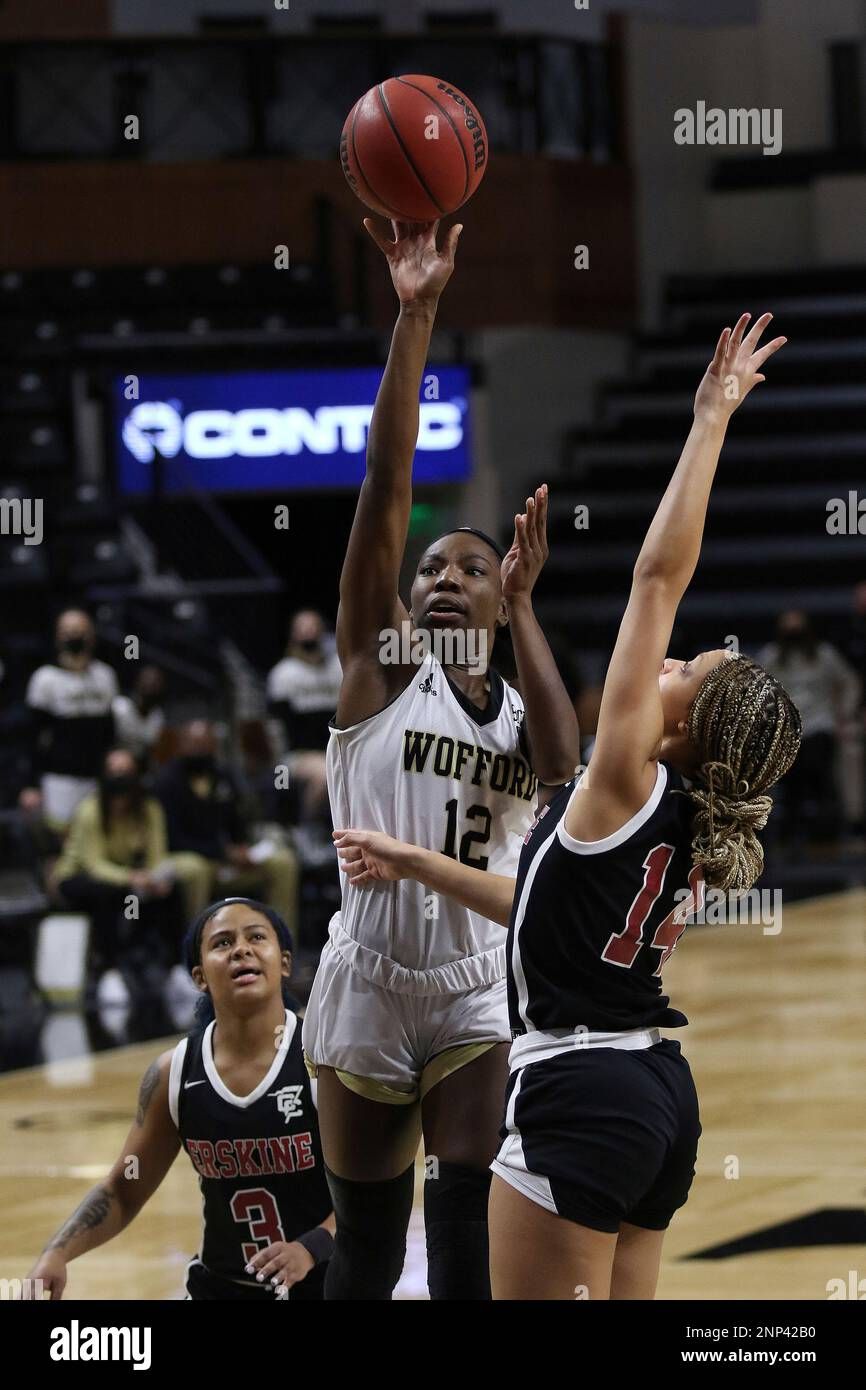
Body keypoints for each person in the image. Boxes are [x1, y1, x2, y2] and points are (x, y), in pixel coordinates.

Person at [332, 314, 802, 1300]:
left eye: (686, 670)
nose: (668, 659)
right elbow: (542, 882)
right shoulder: (671, 817)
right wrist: (415, 861)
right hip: (654, 1097)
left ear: (677, 730)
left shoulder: (631, 774)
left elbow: (656, 576)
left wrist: (709, 417)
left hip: (578, 1087)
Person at [302, 217, 579, 1301]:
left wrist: (524, 609)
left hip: (472, 985)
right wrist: (415, 312)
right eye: (431, 569)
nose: (442, 580)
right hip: (368, 977)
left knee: (462, 1238)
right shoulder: (379, 670)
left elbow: (563, 770)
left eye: (469, 568)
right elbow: (385, 474)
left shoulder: (519, 705)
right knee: (366, 1256)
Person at [24, 897, 334, 1301]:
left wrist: (310, 1248)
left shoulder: (323, 1060)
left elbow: (376, 1194)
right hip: (218, 1288)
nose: (241, 948)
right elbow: (123, 1189)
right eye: (222, 943)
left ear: (285, 963)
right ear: (200, 976)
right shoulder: (176, 1073)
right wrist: (57, 1253)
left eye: (257, 937)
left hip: (324, 1285)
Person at [53, 746, 185, 1002]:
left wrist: (157, 879)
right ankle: (109, 972)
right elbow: (94, 865)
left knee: (172, 890)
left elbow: (157, 855)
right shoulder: (89, 810)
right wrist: (133, 878)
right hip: (78, 878)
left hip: (128, 878)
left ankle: (175, 969)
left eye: (126, 771)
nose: (120, 778)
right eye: (114, 772)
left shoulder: (150, 809)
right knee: (108, 894)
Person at [154, 720, 299, 933]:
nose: (200, 751)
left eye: (205, 745)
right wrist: (222, 853)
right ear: (182, 746)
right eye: (194, 745)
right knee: (196, 870)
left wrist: (242, 849)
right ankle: (195, 947)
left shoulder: (223, 776)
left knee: (283, 862)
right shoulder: (166, 782)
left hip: (224, 861)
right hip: (185, 858)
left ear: (214, 747)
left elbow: (236, 820)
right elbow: (173, 839)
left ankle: (282, 941)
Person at [758, 610, 860, 842]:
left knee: (819, 770)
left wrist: (844, 713)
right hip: (786, 730)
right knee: (790, 775)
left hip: (820, 725)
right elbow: (757, 688)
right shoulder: (771, 657)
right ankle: (789, 830)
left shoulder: (824, 655)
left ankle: (825, 831)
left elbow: (849, 681)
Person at [23, 609, 118, 833]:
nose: (75, 636)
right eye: (68, 632)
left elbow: (111, 734)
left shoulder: (105, 676)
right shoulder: (45, 679)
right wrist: (30, 785)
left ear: (92, 636)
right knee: (64, 843)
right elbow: (32, 738)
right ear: (58, 637)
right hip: (60, 780)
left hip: (96, 779)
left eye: (80, 631)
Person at [267, 610, 342, 837]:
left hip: (337, 748)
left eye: (313, 627)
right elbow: (276, 728)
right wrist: (278, 764)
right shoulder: (284, 674)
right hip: (297, 755)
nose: (309, 633)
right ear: (293, 635)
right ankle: (307, 833)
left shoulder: (338, 668)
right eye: (303, 628)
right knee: (326, 773)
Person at [112, 665, 167, 764]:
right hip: (114, 760)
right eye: (147, 680)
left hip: (138, 764)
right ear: (137, 682)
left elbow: (151, 748)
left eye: (156, 682)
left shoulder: (158, 716)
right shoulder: (119, 707)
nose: (151, 684)